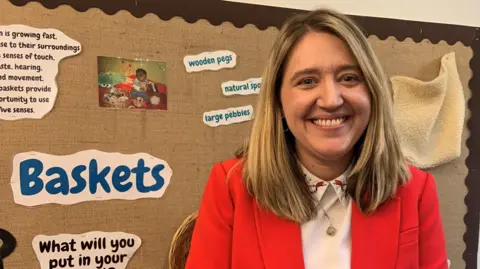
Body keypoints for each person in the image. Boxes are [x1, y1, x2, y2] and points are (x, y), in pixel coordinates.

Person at [185, 8, 448, 269]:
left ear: (372, 92)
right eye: (307, 81)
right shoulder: (231, 187)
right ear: (278, 100)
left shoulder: (416, 191)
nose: (331, 100)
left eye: (349, 78)